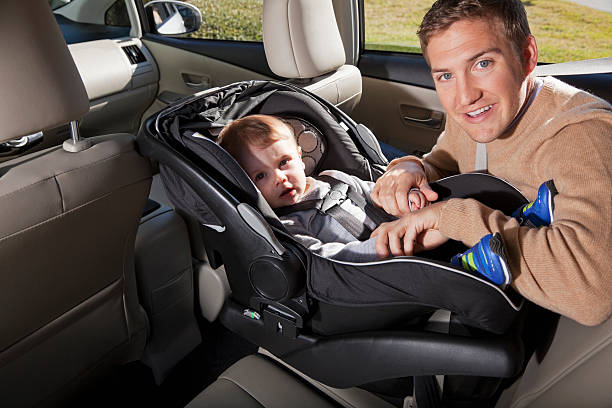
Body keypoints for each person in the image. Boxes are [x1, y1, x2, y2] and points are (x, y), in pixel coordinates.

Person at [369, 0, 612, 325]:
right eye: (445, 76)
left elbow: (590, 295)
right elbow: (444, 165)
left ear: (527, 56)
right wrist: (411, 168)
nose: (465, 96)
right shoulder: (475, 116)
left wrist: (451, 218)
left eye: (482, 64)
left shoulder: (582, 135)